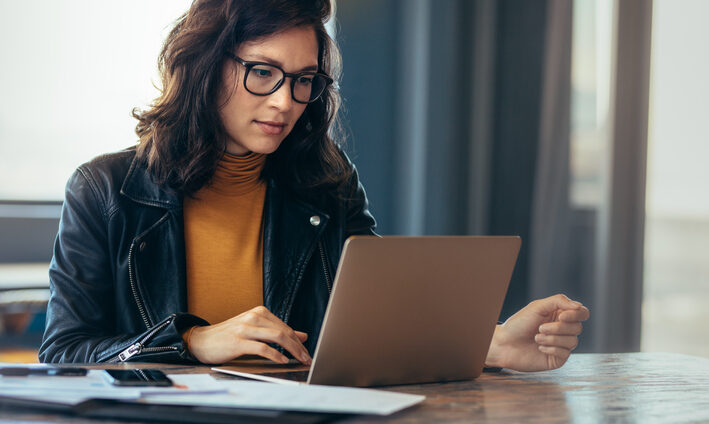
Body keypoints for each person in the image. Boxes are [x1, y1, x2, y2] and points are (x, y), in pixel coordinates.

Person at [39, 0, 589, 371]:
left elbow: (374, 325)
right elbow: (64, 354)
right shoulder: (105, 190)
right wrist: (190, 343)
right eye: (262, 72)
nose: (285, 101)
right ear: (204, 66)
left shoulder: (326, 180)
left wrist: (489, 344)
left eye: (304, 80)